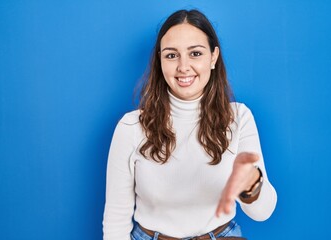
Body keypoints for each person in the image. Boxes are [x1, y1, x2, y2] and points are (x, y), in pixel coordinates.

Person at [103, 9, 277, 240]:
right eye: (172, 55)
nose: (183, 67)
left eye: (195, 53)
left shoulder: (239, 118)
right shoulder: (131, 127)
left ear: (213, 58)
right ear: (160, 60)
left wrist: (252, 185)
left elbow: (262, 213)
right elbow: (116, 220)